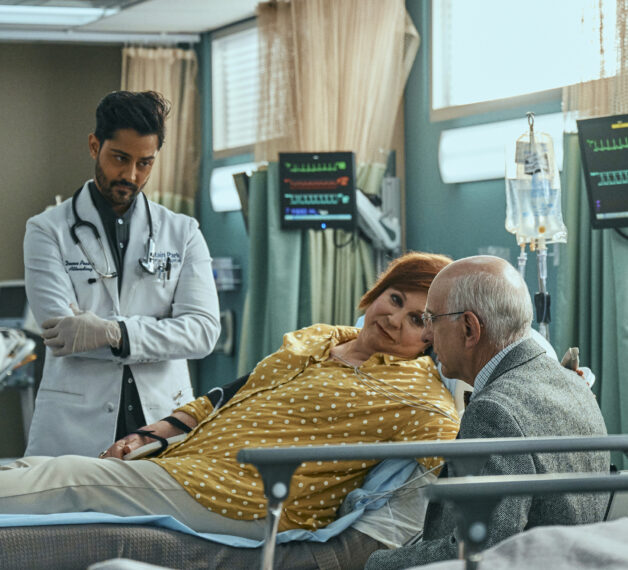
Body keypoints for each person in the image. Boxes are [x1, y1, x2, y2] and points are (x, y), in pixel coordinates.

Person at [0, 252, 459, 538]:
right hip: (186, 463)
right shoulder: (317, 338)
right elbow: (226, 397)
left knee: (70, 481)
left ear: (432, 338)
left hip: (245, 496)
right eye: (396, 299)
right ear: (379, 292)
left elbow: (463, 451)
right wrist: (151, 433)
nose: (396, 319)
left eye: (419, 319)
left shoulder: (415, 393)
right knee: (36, 468)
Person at [365, 255, 609, 569]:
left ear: (469, 328)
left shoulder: (494, 412)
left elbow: (475, 553)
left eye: (431, 319)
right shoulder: (573, 383)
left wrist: (374, 564)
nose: (426, 336)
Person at [23, 91, 221, 458]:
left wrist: (115, 333)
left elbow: (202, 332)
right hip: (74, 426)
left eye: (145, 163)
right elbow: (61, 332)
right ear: (94, 145)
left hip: (162, 420)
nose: (131, 175)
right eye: (120, 158)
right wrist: (161, 331)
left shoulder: (183, 232)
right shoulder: (47, 230)